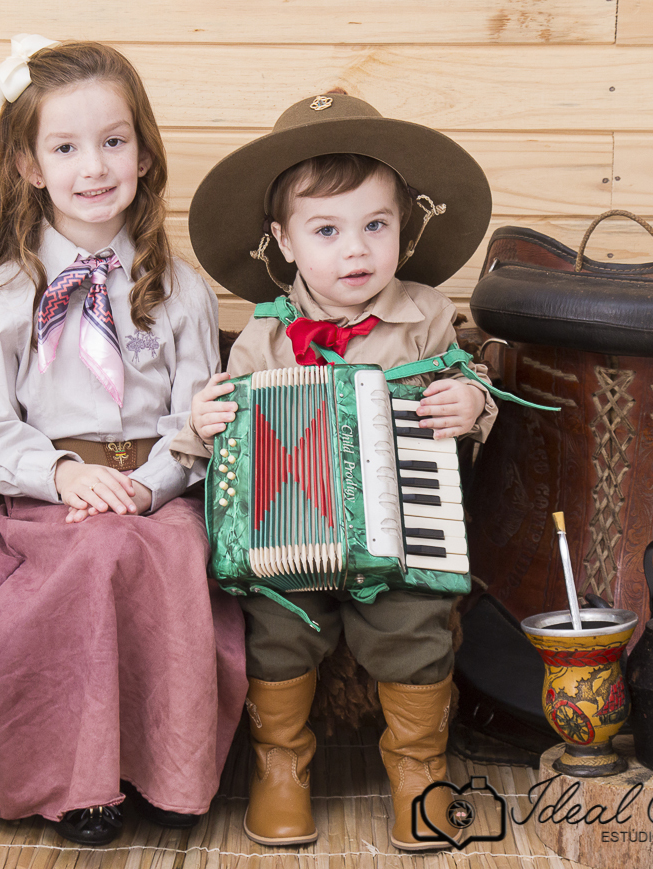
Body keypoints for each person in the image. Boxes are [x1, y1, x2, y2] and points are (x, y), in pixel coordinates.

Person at [0, 36, 247, 847]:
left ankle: (169, 773)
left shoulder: (180, 289)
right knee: (92, 556)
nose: (93, 166)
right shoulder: (7, 294)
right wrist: (63, 475)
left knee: (165, 552)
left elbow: (198, 413)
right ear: (30, 165)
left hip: (157, 490)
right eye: (65, 147)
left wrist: (156, 481)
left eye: (113, 141)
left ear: (142, 150)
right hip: (49, 499)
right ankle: (77, 784)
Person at [171, 91, 500, 852]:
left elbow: (469, 378)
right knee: (276, 632)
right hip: (294, 543)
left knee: (416, 626)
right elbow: (220, 436)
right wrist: (202, 424)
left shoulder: (425, 311)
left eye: (376, 226)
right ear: (283, 241)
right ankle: (279, 765)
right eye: (327, 230)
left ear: (403, 229)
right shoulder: (262, 334)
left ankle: (419, 769)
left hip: (404, 527)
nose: (356, 251)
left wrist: (469, 401)